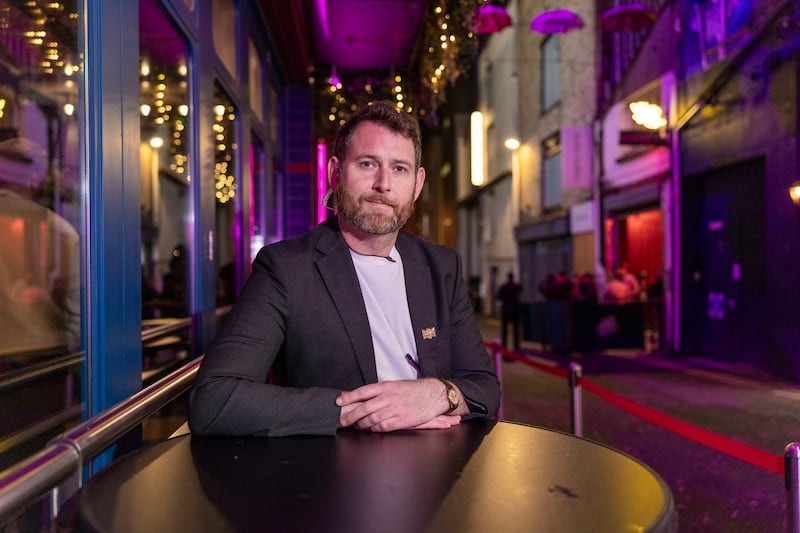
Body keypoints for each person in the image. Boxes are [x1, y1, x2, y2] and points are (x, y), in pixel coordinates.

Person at [188, 101, 501, 437]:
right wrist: (361, 410)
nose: (383, 183)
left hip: (438, 462)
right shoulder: (287, 269)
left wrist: (440, 394)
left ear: (417, 183)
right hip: (336, 465)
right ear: (335, 172)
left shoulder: (441, 266)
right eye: (367, 164)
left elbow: (485, 387)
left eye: (399, 168)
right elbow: (214, 400)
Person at [495, 272, 522, 350]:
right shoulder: (516, 287)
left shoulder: (503, 287)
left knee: (504, 330)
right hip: (514, 310)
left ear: (508, 277)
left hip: (505, 310)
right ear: (512, 277)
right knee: (515, 330)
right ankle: (516, 346)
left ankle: (504, 345)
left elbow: (498, 297)